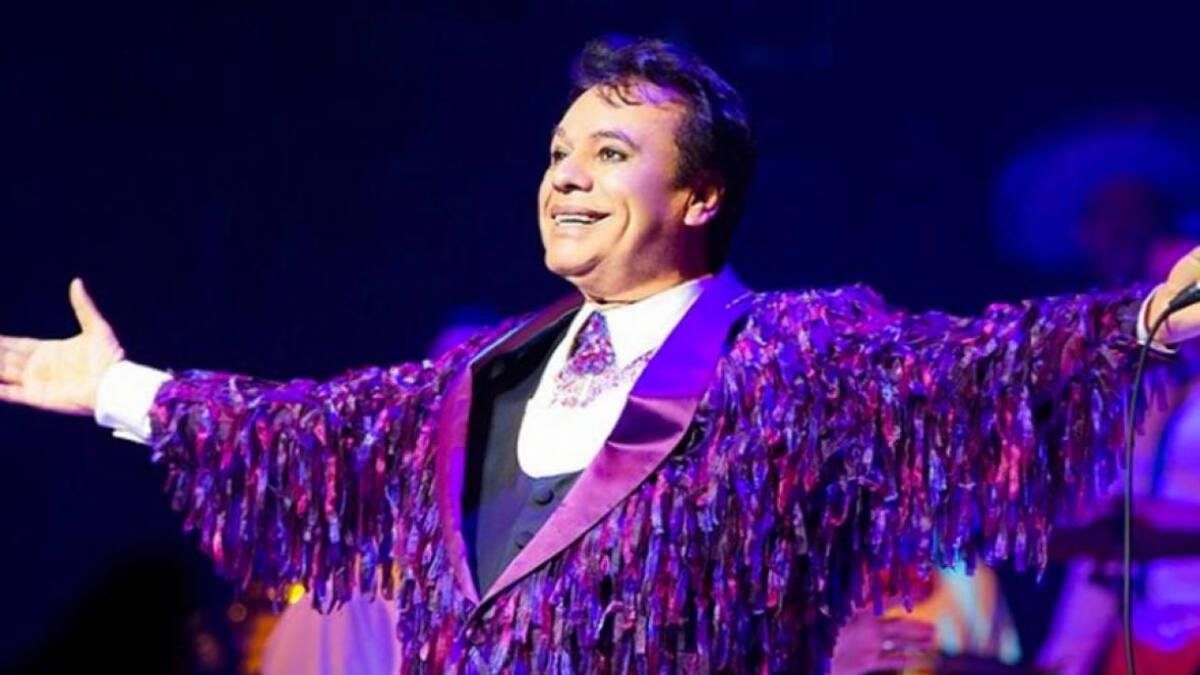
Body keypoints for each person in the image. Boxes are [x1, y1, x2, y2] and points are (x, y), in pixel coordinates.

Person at [3, 36, 1200, 673]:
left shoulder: (791, 355)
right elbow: (305, 430)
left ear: (699, 197)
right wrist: (113, 388)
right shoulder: (475, 378)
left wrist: (1139, 322)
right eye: (559, 153)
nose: (568, 176)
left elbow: (966, 365)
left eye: (612, 154)